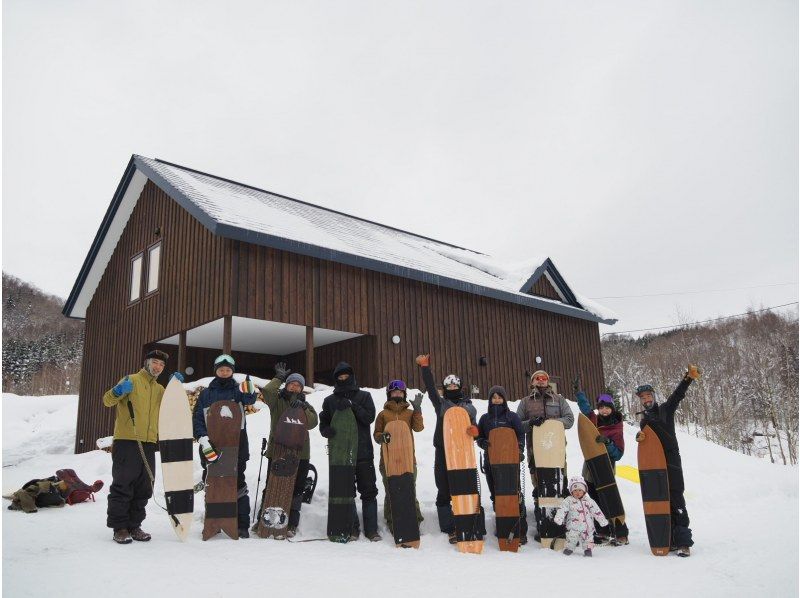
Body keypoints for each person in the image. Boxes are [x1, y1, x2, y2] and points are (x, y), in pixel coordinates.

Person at [103, 349, 183, 544]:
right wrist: (118, 391)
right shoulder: (131, 380)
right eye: (155, 362)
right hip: (127, 440)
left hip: (148, 442)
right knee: (123, 484)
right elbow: (107, 400)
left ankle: (134, 525)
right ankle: (119, 527)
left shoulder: (160, 390)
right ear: (147, 362)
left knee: (144, 486)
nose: (158, 367)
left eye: (162, 365)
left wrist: (175, 387)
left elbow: (172, 408)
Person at [635, 365, 701, 557]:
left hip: (671, 462)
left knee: (676, 499)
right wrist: (639, 437)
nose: (646, 399)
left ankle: (683, 543)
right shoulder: (643, 421)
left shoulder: (665, 409)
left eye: (648, 396)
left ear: (653, 396)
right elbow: (646, 443)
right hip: (656, 467)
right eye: (643, 398)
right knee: (661, 502)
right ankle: (668, 540)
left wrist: (687, 378)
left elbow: (677, 395)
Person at [415, 353, 480, 544]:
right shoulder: (441, 404)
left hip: (462, 453)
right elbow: (430, 388)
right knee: (443, 488)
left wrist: (475, 431)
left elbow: (475, 427)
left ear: (460, 387)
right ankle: (448, 527)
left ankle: (466, 523)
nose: (452, 388)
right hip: (443, 450)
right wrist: (425, 368)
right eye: (448, 386)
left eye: (455, 385)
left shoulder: (469, 407)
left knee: (463, 488)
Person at [193, 354, 257, 538]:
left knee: (237, 480)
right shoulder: (206, 393)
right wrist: (202, 438)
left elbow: (250, 400)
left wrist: (249, 391)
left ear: (232, 371)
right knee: (213, 481)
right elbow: (198, 418)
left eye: (228, 370)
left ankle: (241, 524)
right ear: (216, 371)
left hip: (237, 442)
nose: (224, 372)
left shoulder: (238, 391)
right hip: (211, 443)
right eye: (221, 369)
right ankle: (213, 522)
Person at [255, 362, 318, 538]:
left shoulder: (307, 405)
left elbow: (313, 423)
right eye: (292, 383)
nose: (295, 387)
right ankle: (263, 520)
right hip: (277, 451)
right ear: (287, 384)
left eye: (298, 385)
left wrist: (304, 408)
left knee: (296, 489)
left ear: (301, 389)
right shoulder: (277, 401)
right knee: (272, 486)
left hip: (301, 453)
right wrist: (278, 378)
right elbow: (267, 391)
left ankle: (291, 523)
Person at [318, 362, 380, 541]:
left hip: (363, 453)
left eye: (346, 375)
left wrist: (353, 405)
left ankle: (372, 530)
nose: (343, 379)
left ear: (352, 376)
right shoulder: (329, 401)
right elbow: (324, 422)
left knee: (369, 492)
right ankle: (352, 528)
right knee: (346, 492)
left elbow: (369, 418)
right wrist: (326, 430)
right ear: (336, 379)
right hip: (341, 455)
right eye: (340, 376)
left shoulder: (365, 396)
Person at [515, 369, 574, 540]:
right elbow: (517, 424)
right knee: (539, 485)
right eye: (537, 378)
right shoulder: (525, 402)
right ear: (532, 382)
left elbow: (569, 419)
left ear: (548, 381)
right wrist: (531, 423)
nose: (541, 381)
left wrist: (551, 424)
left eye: (544, 378)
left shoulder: (559, 399)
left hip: (557, 450)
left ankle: (561, 524)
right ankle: (543, 524)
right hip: (536, 450)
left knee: (559, 482)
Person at [574, 378, 628, 544]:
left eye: (607, 408)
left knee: (609, 499)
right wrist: (579, 392)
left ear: (612, 409)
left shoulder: (616, 428)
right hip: (590, 467)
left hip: (606, 468)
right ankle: (603, 530)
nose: (604, 410)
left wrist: (608, 443)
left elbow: (618, 453)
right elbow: (585, 409)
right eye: (601, 408)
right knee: (594, 499)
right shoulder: (594, 421)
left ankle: (621, 533)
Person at [475, 385, 528, 542]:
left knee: (514, 494)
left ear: (504, 399)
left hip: (510, 462)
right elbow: (479, 437)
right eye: (494, 397)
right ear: (490, 399)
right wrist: (482, 442)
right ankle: (503, 526)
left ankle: (520, 530)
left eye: (500, 397)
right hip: (491, 461)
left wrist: (519, 450)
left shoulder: (512, 417)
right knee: (496, 494)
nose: (497, 400)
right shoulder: (485, 418)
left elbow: (520, 434)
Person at [373, 380, 425, 535]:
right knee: (391, 491)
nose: (397, 394)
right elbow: (376, 435)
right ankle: (392, 521)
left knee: (409, 490)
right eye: (394, 392)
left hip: (408, 459)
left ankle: (415, 521)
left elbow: (419, 428)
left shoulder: (409, 413)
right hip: (388, 460)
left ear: (404, 394)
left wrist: (417, 410)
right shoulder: (383, 414)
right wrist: (382, 437)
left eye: (400, 392)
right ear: (389, 394)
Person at [553, 476, 609, 557]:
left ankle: (588, 549)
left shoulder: (589, 501)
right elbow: (562, 509)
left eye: (580, 490)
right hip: (573, 526)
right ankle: (569, 549)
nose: (577, 492)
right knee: (571, 538)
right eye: (575, 490)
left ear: (584, 491)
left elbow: (596, 511)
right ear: (571, 491)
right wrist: (559, 518)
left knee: (588, 539)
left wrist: (602, 520)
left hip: (587, 527)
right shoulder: (568, 500)